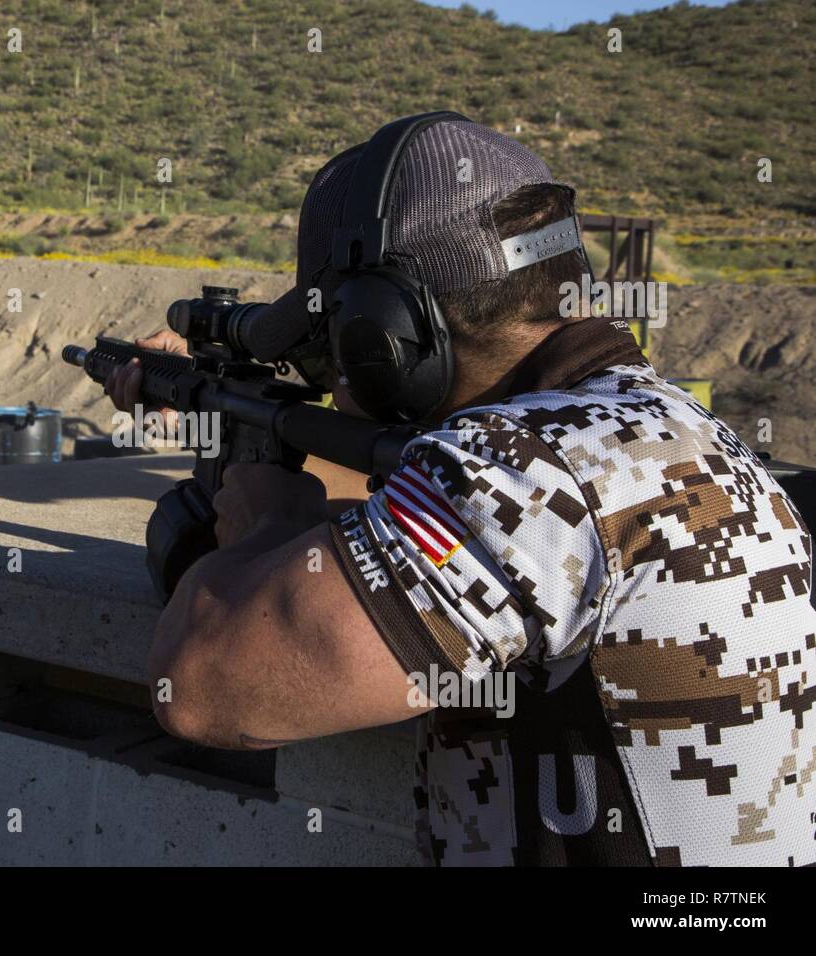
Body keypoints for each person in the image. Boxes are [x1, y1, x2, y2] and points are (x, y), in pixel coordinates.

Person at [103, 115, 815, 867]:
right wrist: (228, 414)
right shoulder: (661, 426)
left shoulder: (518, 465)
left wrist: (265, 525)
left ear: (383, 339)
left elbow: (205, 687)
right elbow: (431, 513)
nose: (335, 385)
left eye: (330, 352)